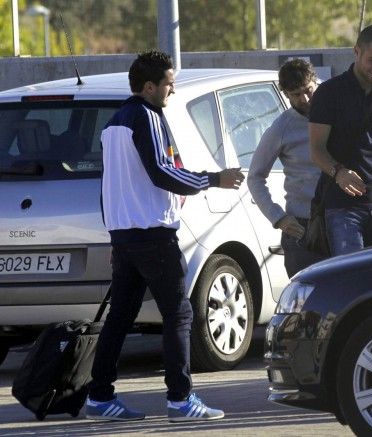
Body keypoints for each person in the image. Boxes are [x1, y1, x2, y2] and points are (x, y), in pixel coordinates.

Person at [85, 50, 244, 422]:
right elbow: (163, 171)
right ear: (149, 86)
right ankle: (180, 400)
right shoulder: (147, 116)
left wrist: (115, 237)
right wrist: (213, 179)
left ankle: (99, 397)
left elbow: (109, 186)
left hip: (126, 237)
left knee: (120, 318)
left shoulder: (113, 123)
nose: (172, 90)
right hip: (153, 236)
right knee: (179, 314)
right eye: (169, 84)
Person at [308, 24, 372, 256]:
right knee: (352, 282)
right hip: (345, 209)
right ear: (356, 52)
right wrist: (339, 173)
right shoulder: (329, 93)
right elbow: (316, 151)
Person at [247, 58, 325, 277]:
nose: (305, 99)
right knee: (305, 302)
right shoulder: (282, 127)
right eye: (296, 94)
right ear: (286, 94)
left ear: (316, 82)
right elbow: (254, 177)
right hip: (302, 226)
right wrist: (278, 217)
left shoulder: (334, 114)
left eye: (308, 90)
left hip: (340, 219)